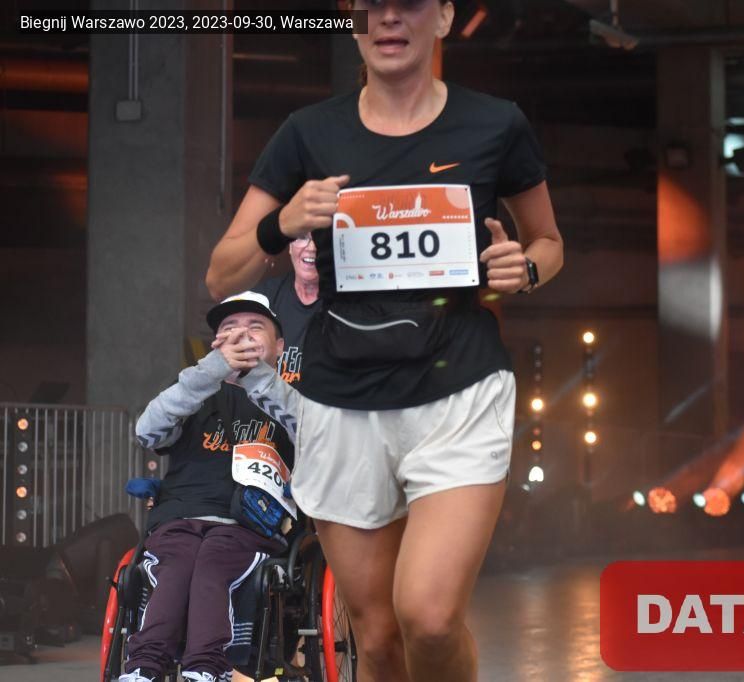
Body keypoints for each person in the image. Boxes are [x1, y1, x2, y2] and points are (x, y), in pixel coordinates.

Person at [205, 2, 563, 680]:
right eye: (373, 5)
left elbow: (548, 240)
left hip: (459, 389)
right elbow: (221, 274)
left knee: (429, 618)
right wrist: (283, 221)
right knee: (378, 640)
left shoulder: (495, 124)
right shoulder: (307, 132)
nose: (390, 18)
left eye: (410, 4)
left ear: (444, 17)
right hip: (342, 399)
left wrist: (528, 267)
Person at [122, 292, 296, 682]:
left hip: (247, 522)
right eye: (230, 328)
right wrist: (211, 371)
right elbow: (147, 431)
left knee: (214, 556)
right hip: (180, 514)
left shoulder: (287, 399)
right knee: (180, 560)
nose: (242, 335)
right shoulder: (191, 390)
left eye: (255, 328)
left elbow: (313, 433)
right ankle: (143, 668)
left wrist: (256, 376)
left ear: (279, 346)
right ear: (216, 343)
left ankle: (205, 667)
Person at [253, 234, 319, 384]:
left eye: (320, 237)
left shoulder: (349, 305)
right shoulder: (262, 298)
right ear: (290, 246)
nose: (311, 247)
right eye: (302, 237)